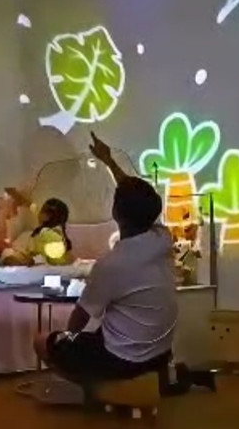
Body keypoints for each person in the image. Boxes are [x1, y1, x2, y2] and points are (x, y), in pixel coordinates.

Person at [34, 132, 177, 384]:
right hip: (160, 355)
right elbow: (136, 197)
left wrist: (67, 341)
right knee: (94, 337)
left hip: (121, 359)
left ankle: (92, 388)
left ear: (115, 211)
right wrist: (109, 161)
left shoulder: (111, 264)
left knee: (42, 341)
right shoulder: (163, 238)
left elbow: (79, 319)